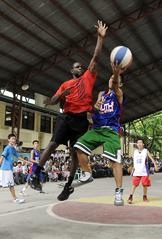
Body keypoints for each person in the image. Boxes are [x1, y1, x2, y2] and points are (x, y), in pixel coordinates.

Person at [29, 20, 108, 201]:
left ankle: (68, 185)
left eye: (82, 66)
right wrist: (63, 92)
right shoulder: (65, 83)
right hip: (66, 117)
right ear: (71, 70)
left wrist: (100, 38)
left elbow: (95, 57)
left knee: (75, 152)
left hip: (81, 120)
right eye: (77, 66)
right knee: (53, 144)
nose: (81, 68)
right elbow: (51, 101)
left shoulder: (88, 77)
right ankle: (35, 174)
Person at [74, 63, 125, 206]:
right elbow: (94, 110)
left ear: (120, 84)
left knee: (115, 162)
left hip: (111, 130)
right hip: (97, 129)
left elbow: (115, 85)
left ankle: (119, 192)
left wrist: (116, 73)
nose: (112, 80)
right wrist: (94, 108)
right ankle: (87, 173)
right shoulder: (102, 94)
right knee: (79, 146)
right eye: (111, 78)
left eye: (115, 79)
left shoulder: (119, 94)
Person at [0, 134, 30, 203]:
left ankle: (15, 198)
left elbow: (18, 156)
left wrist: (26, 162)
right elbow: (2, 156)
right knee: (11, 184)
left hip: (9, 168)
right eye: (12, 138)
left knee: (9, 184)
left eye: (14, 139)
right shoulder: (7, 148)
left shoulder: (13, 148)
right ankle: (15, 199)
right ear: (9, 140)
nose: (14, 140)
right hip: (6, 169)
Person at [127, 138, 158, 204]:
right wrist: (132, 167)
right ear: (137, 144)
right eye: (138, 143)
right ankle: (130, 196)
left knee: (144, 184)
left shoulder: (146, 151)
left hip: (144, 170)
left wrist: (155, 165)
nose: (139, 144)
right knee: (134, 184)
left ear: (143, 144)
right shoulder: (135, 152)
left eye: (141, 142)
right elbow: (134, 160)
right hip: (137, 171)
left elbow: (151, 158)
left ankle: (144, 196)